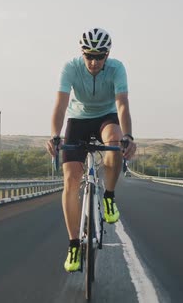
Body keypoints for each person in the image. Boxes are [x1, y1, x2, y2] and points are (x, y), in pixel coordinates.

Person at [46, 27, 137, 272]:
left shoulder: (117, 68)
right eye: (89, 56)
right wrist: (55, 135)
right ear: (82, 53)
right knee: (71, 180)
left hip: (105, 117)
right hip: (77, 120)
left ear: (108, 55)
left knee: (115, 142)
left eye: (100, 56)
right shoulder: (70, 68)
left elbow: (122, 104)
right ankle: (74, 244)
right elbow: (61, 103)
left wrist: (128, 135)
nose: (94, 62)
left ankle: (109, 196)